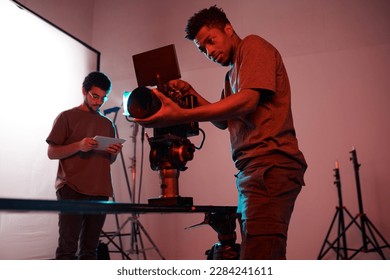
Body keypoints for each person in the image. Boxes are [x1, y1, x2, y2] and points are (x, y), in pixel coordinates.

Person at [135, 6, 307, 260]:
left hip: (269, 167)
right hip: (253, 172)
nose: (209, 52)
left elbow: (248, 101)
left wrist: (183, 115)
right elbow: (224, 120)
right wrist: (191, 93)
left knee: (261, 260)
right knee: (256, 255)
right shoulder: (231, 76)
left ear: (228, 29)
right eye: (203, 49)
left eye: (211, 41)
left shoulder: (252, 45)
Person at [46, 71, 123, 260]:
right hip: (71, 188)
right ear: (84, 91)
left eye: (103, 98)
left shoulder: (108, 125)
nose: (98, 102)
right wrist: (79, 146)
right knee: (67, 249)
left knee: (90, 251)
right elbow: (52, 152)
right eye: (95, 96)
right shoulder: (66, 117)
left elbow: (109, 161)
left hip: (100, 192)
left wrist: (113, 153)